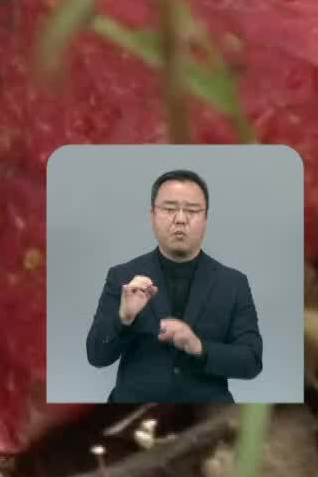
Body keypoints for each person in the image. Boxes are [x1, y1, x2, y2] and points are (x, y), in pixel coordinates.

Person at [84, 169, 263, 403]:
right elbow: (96, 356)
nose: (180, 219)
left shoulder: (233, 283)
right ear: (152, 215)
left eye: (192, 210)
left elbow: (251, 361)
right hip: (132, 410)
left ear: (206, 217)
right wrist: (123, 318)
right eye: (169, 209)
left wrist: (199, 346)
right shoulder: (123, 276)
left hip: (204, 415)